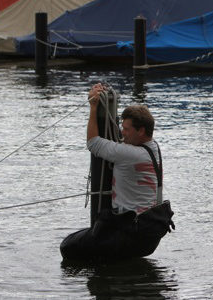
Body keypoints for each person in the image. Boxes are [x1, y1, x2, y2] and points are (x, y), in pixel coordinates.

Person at [60, 83, 174, 261]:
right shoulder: (153, 147)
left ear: (141, 130)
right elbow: (120, 143)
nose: (122, 133)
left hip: (131, 235)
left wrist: (93, 106)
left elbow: (93, 143)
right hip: (149, 236)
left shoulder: (130, 154)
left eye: (126, 129)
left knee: (67, 247)